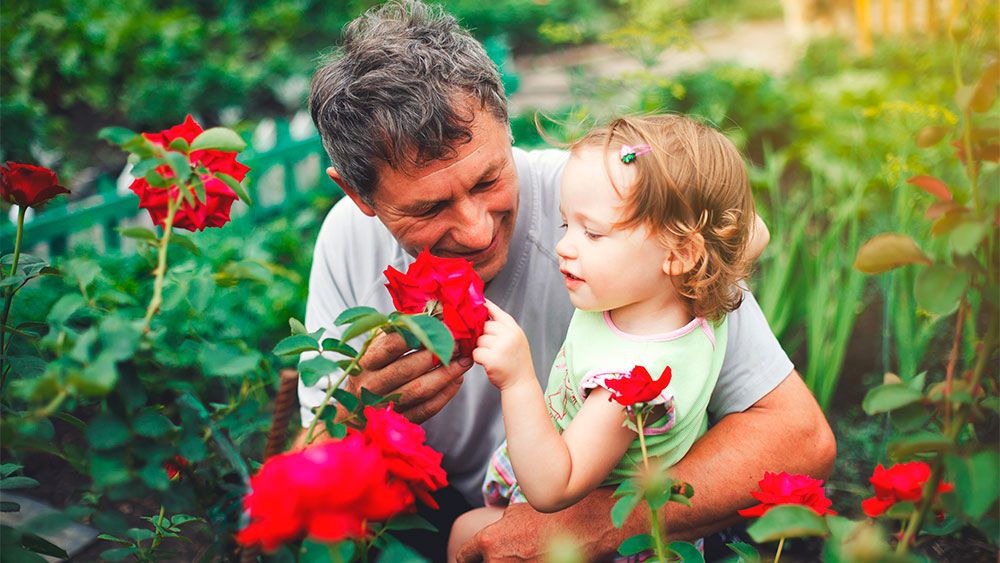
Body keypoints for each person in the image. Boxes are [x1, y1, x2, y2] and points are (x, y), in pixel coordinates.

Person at [301, 1, 835, 560]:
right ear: (358, 195)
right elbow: (313, 460)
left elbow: (801, 437)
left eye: (488, 180)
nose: (478, 230)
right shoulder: (348, 244)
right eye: (430, 207)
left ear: (507, 128)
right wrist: (350, 408)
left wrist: (591, 525)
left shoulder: (615, 221)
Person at [448, 114, 759, 561]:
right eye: (565, 225)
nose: (565, 246)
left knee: (465, 533)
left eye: (592, 232)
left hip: (599, 537)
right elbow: (753, 234)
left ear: (680, 253)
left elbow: (555, 486)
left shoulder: (630, 383)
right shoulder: (696, 294)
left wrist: (518, 379)